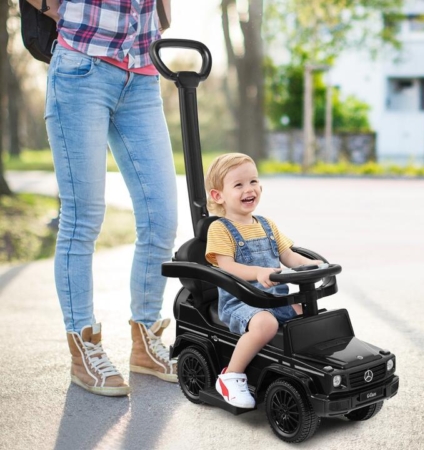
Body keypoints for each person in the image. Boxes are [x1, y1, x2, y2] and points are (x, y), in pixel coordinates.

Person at [26, 0, 177, 396]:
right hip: (81, 67)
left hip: (142, 74)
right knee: (83, 217)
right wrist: (59, 12)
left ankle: (145, 339)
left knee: (161, 216)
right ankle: (83, 348)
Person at [204, 153, 322, 408]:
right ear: (218, 196)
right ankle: (231, 376)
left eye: (253, 181)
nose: (249, 190)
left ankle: (308, 367)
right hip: (241, 303)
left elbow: (289, 256)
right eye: (238, 185)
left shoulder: (267, 225)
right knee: (265, 324)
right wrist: (258, 272)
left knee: (309, 314)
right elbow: (227, 267)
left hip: (275, 299)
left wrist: (311, 265)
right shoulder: (220, 229)